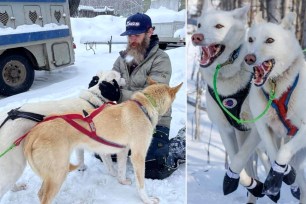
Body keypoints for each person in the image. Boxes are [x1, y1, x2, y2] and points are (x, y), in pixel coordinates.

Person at [91, 13, 185, 179]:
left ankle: (180, 144)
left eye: (137, 35)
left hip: (153, 120)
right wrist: (99, 86)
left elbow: (153, 99)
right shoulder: (123, 59)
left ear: (150, 32)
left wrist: (119, 95)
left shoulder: (161, 59)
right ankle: (129, 146)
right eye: (129, 35)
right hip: (125, 119)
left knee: (153, 165)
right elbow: (112, 79)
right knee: (102, 150)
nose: (132, 39)